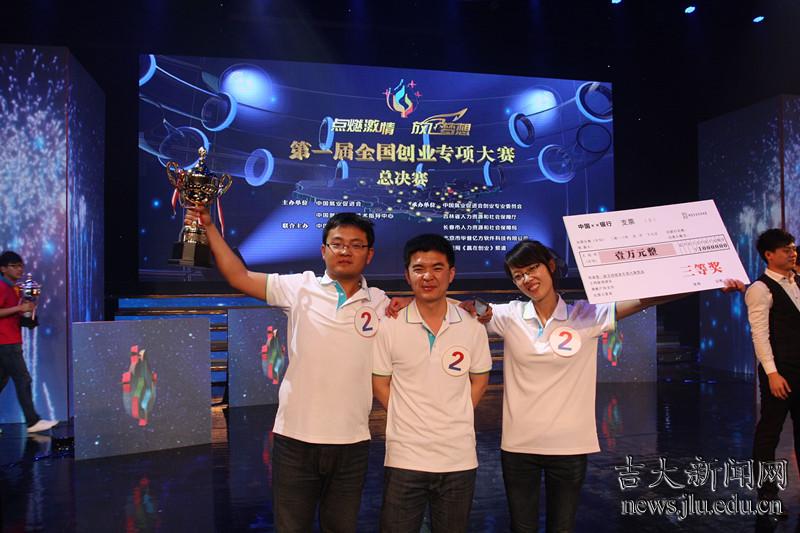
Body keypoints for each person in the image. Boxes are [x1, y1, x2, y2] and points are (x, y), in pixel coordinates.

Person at [481, 240, 743, 533]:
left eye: (532, 268)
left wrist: (707, 282)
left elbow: (646, 300)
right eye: (518, 275)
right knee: (522, 528)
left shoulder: (586, 315)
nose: (527, 279)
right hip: (519, 446)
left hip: (569, 445)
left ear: (550, 266)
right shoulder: (510, 315)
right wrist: (470, 307)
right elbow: (469, 309)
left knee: (562, 528)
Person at [185, 207, 401, 532]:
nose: (345, 251)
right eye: (338, 243)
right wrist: (209, 226)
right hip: (295, 440)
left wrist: (472, 308)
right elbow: (239, 276)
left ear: (369, 254)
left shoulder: (381, 302)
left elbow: (424, 309)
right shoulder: (300, 287)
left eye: (356, 245)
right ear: (323, 250)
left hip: (352, 442)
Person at [372, 234, 492, 532]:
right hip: (405, 457)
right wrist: (406, 414)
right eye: (419, 268)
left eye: (437, 268)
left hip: (458, 458)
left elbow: (480, 379)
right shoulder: (390, 324)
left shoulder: (471, 324)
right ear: (407, 275)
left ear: (451, 273)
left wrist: (459, 411)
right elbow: (380, 382)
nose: (428, 276)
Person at [746, 228, 799, 506]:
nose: (793, 253)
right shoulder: (760, 288)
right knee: (770, 432)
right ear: (769, 255)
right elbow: (760, 335)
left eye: (793, 248)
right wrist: (772, 373)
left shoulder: (796, 281)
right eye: (786, 250)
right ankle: (767, 494)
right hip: (780, 372)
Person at [0, 251, 58, 434]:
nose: (19, 269)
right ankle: (32, 422)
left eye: (21, 266)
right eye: (14, 266)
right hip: (6, 341)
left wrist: (28, 312)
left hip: (11, 339)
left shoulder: (15, 289)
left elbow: (17, 314)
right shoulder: (2, 287)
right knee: (23, 379)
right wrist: (20, 307)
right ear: (3, 269)